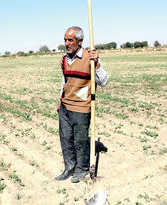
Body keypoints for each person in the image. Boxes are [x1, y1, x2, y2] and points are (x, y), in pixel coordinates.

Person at [55, 26, 108, 183]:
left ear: (80, 41)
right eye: (65, 39)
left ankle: (82, 169)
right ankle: (69, 167)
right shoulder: (64, 60)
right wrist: (60, 101)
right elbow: (64, 82)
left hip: (82, 107)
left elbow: (104, 81)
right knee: (65, 138)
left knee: (81, 140)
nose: (66, 43)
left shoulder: (90, 58)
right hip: (65, 106)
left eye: (70, 40)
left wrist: (96, 63)